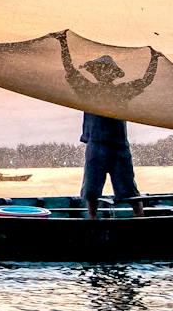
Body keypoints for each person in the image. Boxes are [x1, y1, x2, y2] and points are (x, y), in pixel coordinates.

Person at [54, 33, 160, 214]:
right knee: (92, 190)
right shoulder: (91, 90)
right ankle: (96, 221)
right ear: (96, 72)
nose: (103, 72)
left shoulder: (117, 91)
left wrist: (154, 59)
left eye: (106, 70)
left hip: (117, 146)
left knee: (128, 189)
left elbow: (145, 81)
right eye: (100, 69)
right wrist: (63, 44)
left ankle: (140, 218)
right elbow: (70, 71)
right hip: (99, 145)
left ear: (112, 74)